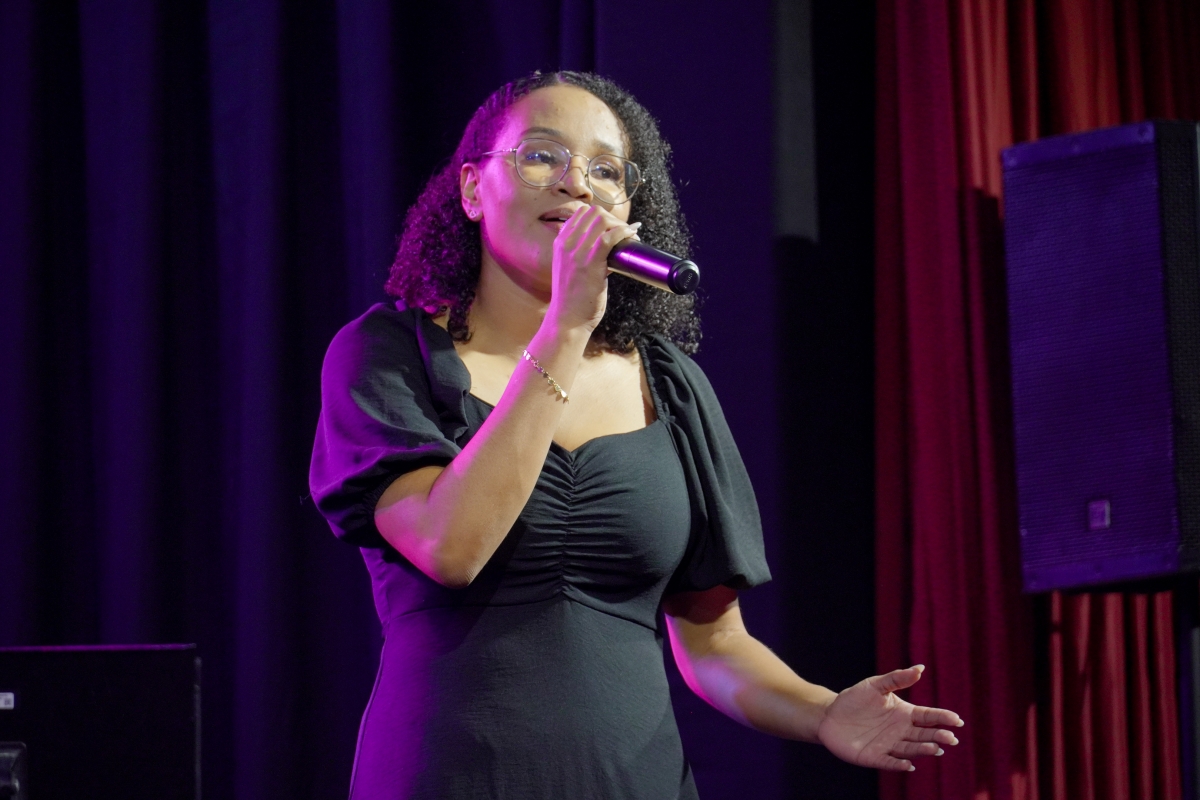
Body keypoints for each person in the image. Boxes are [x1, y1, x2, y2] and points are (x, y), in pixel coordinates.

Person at [310, 71, 962, 799]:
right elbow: (451, 546)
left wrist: (822, 713)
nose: (576, 184)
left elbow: (715, 642)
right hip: (451, 773)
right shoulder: (388, 355)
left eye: (605, 171)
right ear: (471, 190)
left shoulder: (670, 385)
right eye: (541, 156)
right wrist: (564, 330)